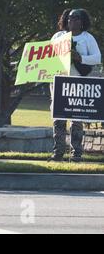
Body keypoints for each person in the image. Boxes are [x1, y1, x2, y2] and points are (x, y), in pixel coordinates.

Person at [48, 9, 101, 162]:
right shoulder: (58, 36)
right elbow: (48, 56)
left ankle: (76, 154)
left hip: (78, 82)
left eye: (76, 18)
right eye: (70, 18)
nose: (72, 21)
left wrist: (80, 57)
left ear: (82, 21)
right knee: (58, 118)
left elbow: (97, 58)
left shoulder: (87, 38)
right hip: (59, 82)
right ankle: (57, 153)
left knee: (77, 119)